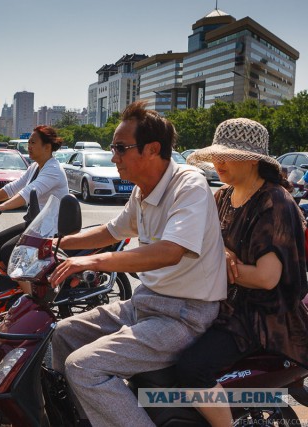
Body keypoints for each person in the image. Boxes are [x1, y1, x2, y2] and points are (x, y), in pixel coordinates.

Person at [49, 101, 227, 426]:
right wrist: (55, 244)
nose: (113, 156)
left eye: (120, 148)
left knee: (84, 366)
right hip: (145, 303)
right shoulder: (142, 191)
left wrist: (94, 261)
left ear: (152, 149)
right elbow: (110, 231)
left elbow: (170, 251)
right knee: (62, 333)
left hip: (184, 315)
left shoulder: (189, 186)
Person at [177, 118, 308, 427]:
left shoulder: (275, 202)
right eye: (216, 155)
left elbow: (266, 278)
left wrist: (216, 260)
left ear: (252, 160)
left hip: (259, 316)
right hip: (220, 303)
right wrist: (219, 253)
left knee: (190, 370)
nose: (218, 162)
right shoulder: (222, 196)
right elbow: (201, 241)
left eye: (228, 155)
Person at [0, 125, 69, 271]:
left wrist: (2, 207)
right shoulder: (35, 166)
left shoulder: (53, 170)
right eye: (28, 142)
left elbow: (28, 193)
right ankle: (9, 286)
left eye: (33, 143)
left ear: (47, 147)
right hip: (35, 223)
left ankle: (30, 292)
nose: (29, 146)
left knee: (7, 251)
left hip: (49, 228)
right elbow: (13, 188)